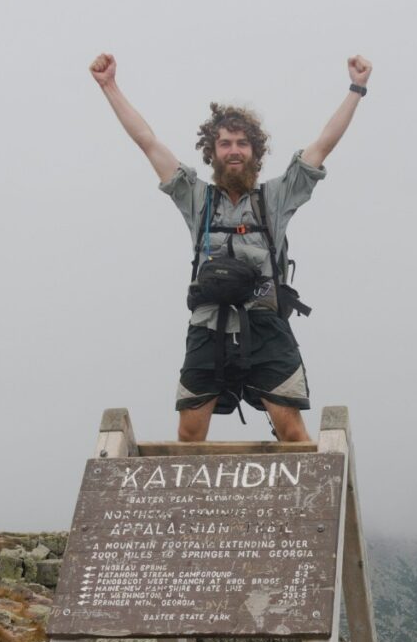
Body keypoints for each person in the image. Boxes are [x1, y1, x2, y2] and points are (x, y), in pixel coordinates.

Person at [89, 53, 372, 443]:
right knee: (189, 434)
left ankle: (301, 504)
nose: (234, 150)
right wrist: (110, 86)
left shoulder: (274, 198)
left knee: (291, 429)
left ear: (254, 151)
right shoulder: (197, 199)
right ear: (213, 151)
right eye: (225, 144)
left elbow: (323, 145)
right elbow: (147, 141)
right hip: (208, 326)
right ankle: (191, 506)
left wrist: (356, 89)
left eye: (241, 143)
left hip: (266, 324)